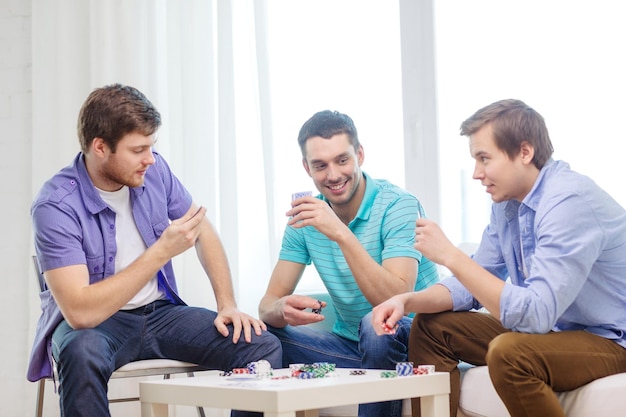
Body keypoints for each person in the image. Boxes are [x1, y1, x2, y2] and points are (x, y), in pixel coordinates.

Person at [27, 84, 282, 417]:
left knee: (259, 345)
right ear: (100, 147)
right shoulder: (55, 206)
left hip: (160, 314)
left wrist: (227, 304)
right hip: (96, 325)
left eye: (151, 147)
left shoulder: (154, 170)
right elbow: (81, 313)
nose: (150, 159)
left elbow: (202, 229)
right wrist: (161, 252)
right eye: (138, 149)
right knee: (82, 351)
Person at [371, 99, 626, 417]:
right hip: (556, 333)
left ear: (524, 152)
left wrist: (451, 255)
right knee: (431, 326)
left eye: (484, 158)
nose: (477, 173)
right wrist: (407, 301)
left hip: (611, 340)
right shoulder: (508, 205)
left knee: (509, 353)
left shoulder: (568, 202)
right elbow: (472, 282)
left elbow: (536, 315)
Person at [258, 110, 440, 417]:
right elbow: (266, 305)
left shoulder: (399, 205)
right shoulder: (305, 219)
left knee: (377, 325)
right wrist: (281, 310)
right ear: (307, 168)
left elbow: (394, 301)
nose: (332, 175)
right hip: (350, 347)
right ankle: (368, 371)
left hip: (415, 340)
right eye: (320, 165)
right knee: (256, 337)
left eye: (342, 160)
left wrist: (340, 232)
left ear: (360, 155)